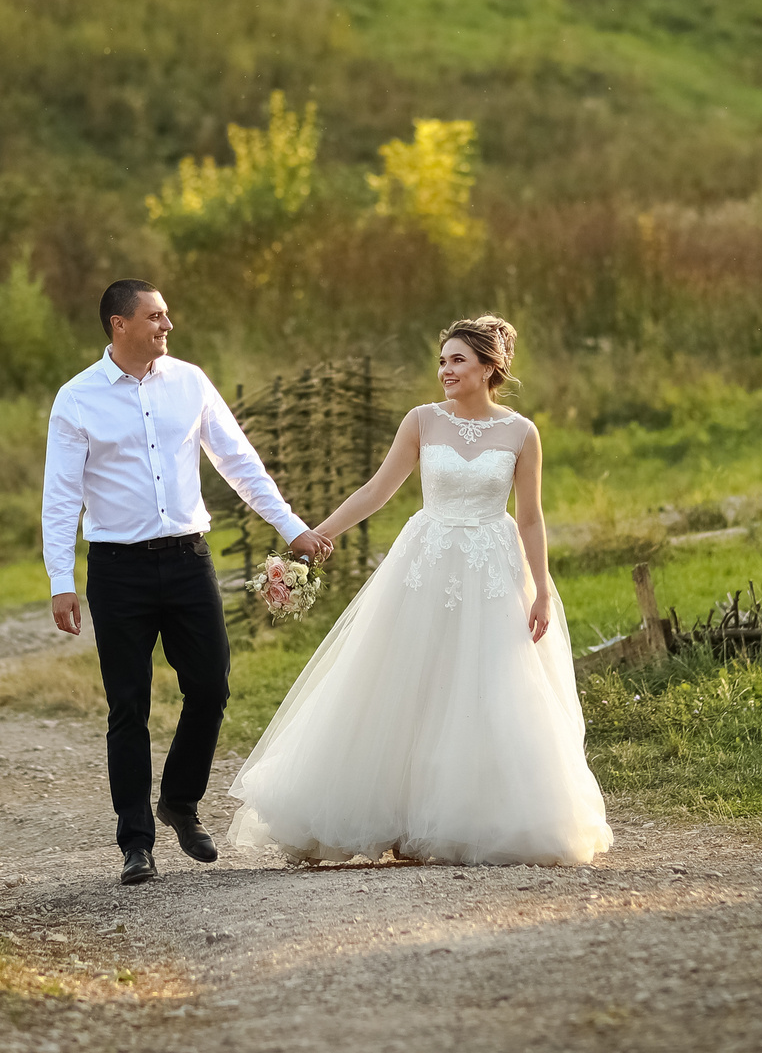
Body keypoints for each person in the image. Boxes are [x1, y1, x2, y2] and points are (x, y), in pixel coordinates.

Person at [225, 315, 612, 866]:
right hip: (426, 562)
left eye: (457, 360)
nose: (445, 370)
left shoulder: (521, 433)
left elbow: (530, 519)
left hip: (492, 568)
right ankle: (388, 816)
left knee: (486, 687)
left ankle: (466, 817)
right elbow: (379, 489)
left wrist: (542, 591)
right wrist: (318, 535)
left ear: (488, 367)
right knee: (407, 682)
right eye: (442, 360)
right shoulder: (423, 422)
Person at [43, 279, 332, 886]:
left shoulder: (191, 382)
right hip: (118, 569)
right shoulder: (76, 400)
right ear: (119, 326)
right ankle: (136, 843)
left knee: (212, 685)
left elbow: (239, 461)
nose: (166, 326)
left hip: (187, 560)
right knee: (129, 705)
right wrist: (60, 580)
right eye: (155, 317)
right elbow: (61, 496)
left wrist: (292, 527)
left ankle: (179, 800)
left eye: (167, 315)